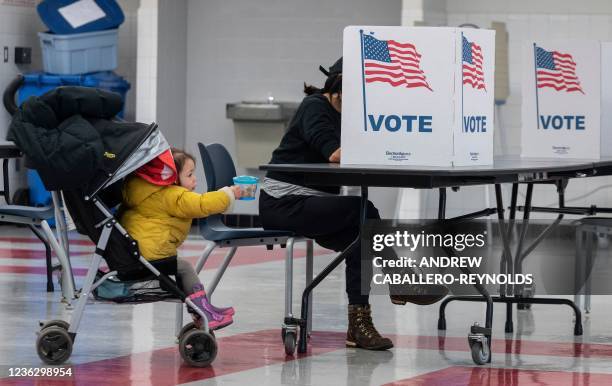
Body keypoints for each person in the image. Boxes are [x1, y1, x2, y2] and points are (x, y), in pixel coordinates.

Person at [259, 58, 448, 350]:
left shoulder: (345, 113)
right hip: (283, 201)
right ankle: (399, 279)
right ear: (337, 87)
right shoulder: (315, 107)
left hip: (314, 201)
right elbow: (334, 153)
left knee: (363, 237)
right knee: (364, 211)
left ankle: (358, 326)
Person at [120, 147, 240, 330]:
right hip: (152, 254)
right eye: (190, 174)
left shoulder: (143, 191)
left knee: (182, 267)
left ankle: (202, 311)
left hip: (135, 250)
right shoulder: (171, 195)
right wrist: (229, 194)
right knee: (184, 268)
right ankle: (203, 312)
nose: (195, 179)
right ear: (172, 178)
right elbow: (201, 204)